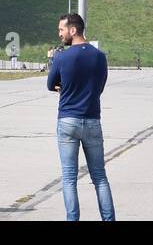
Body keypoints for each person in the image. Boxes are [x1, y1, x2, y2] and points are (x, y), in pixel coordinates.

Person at [47, 13, 115, 221]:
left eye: (61, 30)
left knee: (69, 179)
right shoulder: (99, 56)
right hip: (93, 120)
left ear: (73, 30)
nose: (60, 34)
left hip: (67, 120)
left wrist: (64, 88)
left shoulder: (61, 57)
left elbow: (51, 84)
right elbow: (100, 87)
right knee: (100, 178)